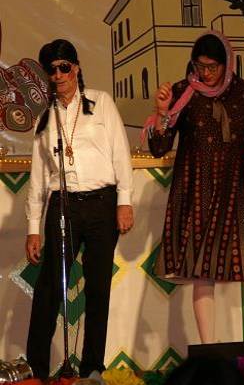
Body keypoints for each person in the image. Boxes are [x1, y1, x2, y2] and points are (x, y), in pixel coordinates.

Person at [147, 30, 244, 345]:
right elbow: (159, 147)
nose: (205, 73)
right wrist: (162, 113)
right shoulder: (182, 92)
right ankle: (209, 353)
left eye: (212, 66)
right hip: (196, 191)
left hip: (236, 192)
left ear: (226, 63)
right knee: (202, 272)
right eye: (200, 66)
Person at [25, 39, 134, 379]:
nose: (58, 75)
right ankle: (37, 369)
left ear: (76, 68)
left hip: (102, 203)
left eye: (64, 67)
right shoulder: (45, 118)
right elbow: (38, 178)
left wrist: (124, 200)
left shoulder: (101, 103)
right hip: (63, 205)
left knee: (98, 288)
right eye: (52, 70)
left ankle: (92, 368)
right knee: (49, 288)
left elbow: (121, 153)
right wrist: (33, 228)